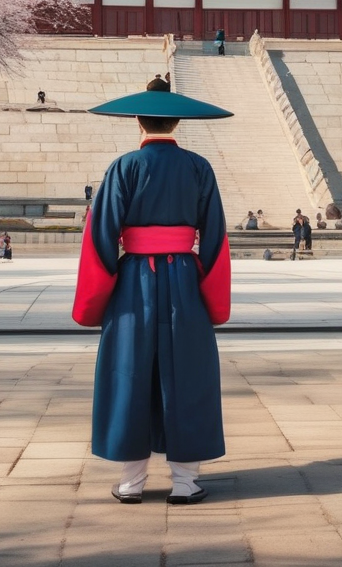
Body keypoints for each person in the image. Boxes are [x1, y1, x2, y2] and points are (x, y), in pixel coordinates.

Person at [73, 73, 232, 505]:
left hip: (133, 282)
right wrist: (213, 299)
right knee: (189, 374)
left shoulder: (123, 167)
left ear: (138, 123)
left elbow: (100, 236)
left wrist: (93, 302)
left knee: (130, 372)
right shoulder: (199, 167)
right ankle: (185, 481)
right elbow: (215, 236)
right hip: (183, 277)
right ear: (176, 123)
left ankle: (131, 482)